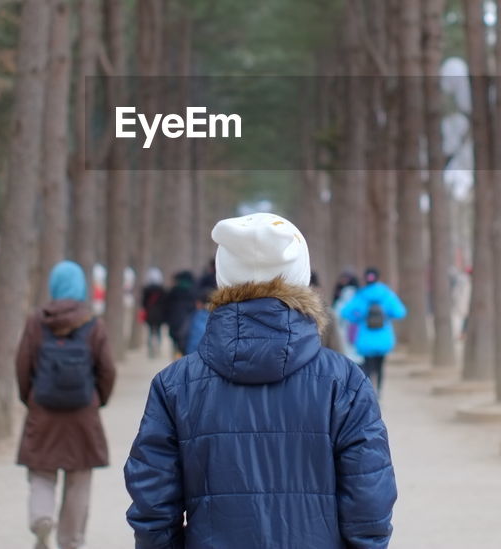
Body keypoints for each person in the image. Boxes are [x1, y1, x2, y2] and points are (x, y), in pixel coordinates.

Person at [126, 212, 396, 548]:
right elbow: (369, 501)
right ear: (300, 277)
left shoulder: (175, 384)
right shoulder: (345, 383)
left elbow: (153, 506)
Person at [16, 260, 117, 549]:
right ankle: (71, 541)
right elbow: (107, 369)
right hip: (83, 414)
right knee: (79, 481)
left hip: (43, 411)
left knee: (41, 473)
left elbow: (22, 365)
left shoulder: (36, 321)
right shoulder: (93, 323)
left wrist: (30, 398)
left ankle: (41, 518)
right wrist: (98, 399)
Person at [342, 268, 407, 392]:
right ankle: (379, 391)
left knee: (368, 367)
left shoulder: (361, 295)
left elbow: (345, 312)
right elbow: (400, 312)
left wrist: (358, 318)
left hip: (365, 338)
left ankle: (369, 391)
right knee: (380, 366)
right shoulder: (386, 294)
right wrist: (387, 316)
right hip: (383, 338)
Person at [163, 269, 198, 356]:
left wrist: (167, 319)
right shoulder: (193, 292)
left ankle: (176, 360)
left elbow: (166, 307)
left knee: (176, 344)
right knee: (185, 345)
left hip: (174, 321)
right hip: (187, 322)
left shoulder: (172, 291)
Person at [332, 271, 363, 365]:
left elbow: (336, 316)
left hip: (344, 333)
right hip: (359, 334)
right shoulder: (360, 298)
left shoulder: (340, 302)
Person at [140, 268, 168, 358]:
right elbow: (165, 303)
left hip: (150, 313)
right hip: (160, 314)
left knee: (150, 332)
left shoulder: (146, 290)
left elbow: (143, 303)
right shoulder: (162, 290)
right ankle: (158, 348)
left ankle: (150, 350)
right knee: (158, 331)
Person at [179, 289, 210, 355]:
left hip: (191, 354)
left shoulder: (193, 317)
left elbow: (183, 334)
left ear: (199, 303)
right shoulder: (215, 317)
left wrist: (182, 349)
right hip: (209, 355)